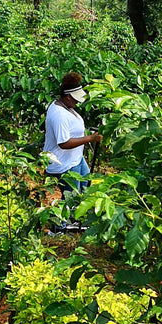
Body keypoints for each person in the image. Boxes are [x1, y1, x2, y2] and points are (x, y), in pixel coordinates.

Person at [42, 71, 101, 231]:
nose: (77, 103)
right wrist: (90, 139)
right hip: (64, 163)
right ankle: (58, 229)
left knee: (84, 188)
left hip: (76, 159)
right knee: (70, 196)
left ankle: (74, 220)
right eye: (75, 99)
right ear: (68, 97)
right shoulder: (59, 114)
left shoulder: (66, 107)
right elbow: (64, 143)